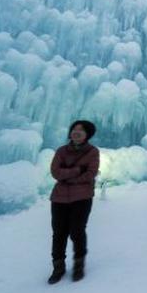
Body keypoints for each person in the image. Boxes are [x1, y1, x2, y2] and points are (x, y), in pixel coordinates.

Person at [48, 120, 100, 284]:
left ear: (87, 135)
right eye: (74, 129)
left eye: (81, 130)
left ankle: (79, 264)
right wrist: (77, 170)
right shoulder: (61, 151)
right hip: (59, 198)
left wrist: (67, 176)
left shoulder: (92, 152)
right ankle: (58, 267)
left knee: (77, 231)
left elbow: (90, 174)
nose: (76, 132)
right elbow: (56, 172)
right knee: (59, 233)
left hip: (82, 197)